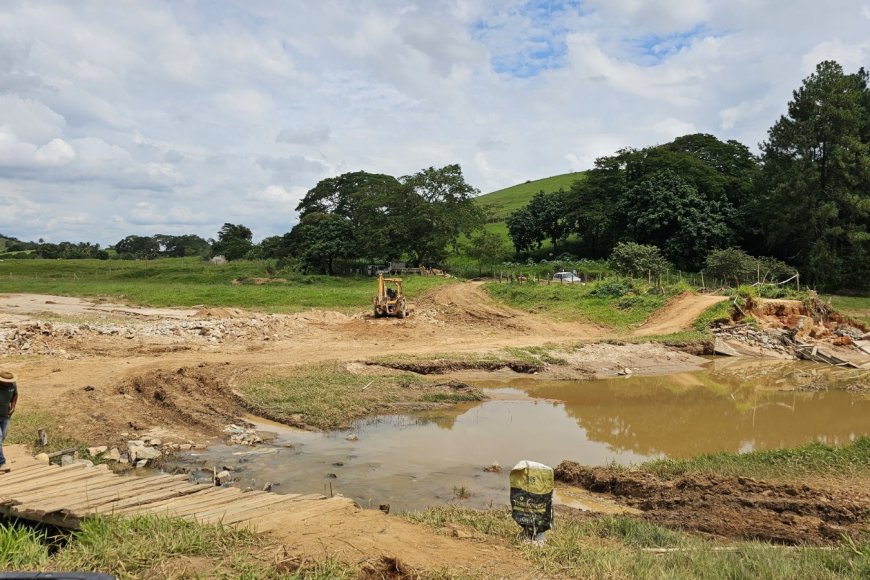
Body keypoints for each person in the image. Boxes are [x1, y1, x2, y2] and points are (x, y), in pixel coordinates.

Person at [0, 370, 18, 473]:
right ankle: (2, 463)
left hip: (5, 415)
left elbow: (15, 395)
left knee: (2, 439)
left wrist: (13, 406)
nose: (7, 383)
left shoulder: (12, 385)